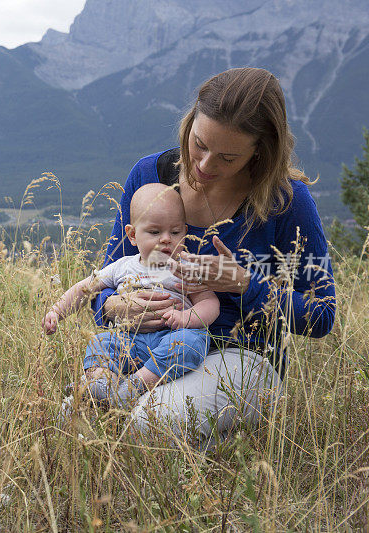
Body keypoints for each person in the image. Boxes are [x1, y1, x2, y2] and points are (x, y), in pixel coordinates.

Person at [89, 67, 336, 449]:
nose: (204, 166)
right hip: (149, 346)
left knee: (147, 421)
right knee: (78, 414)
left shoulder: (287, 202)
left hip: (242, 356)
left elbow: (322, 316)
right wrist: (118, 307)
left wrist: (244, 284)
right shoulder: (149, 176)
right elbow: (106, 279)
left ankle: (223, 449)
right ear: (189, 123)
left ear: (260, 152)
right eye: (199, 143)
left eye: (227, 157)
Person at [43, 183, 219, 408]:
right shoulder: (123, 267)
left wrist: (189, 319)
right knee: (100, 342)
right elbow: (85, 287)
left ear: (184, 232)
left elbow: (209, 302)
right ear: (133, 235)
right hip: (129, 340)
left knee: (192, 343)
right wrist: (57, 311)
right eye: (155, 232)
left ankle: (134, 386)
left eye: (174, 232)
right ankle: (100, 382)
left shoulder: (186, 267)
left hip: (173, 337)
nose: (166, 239)